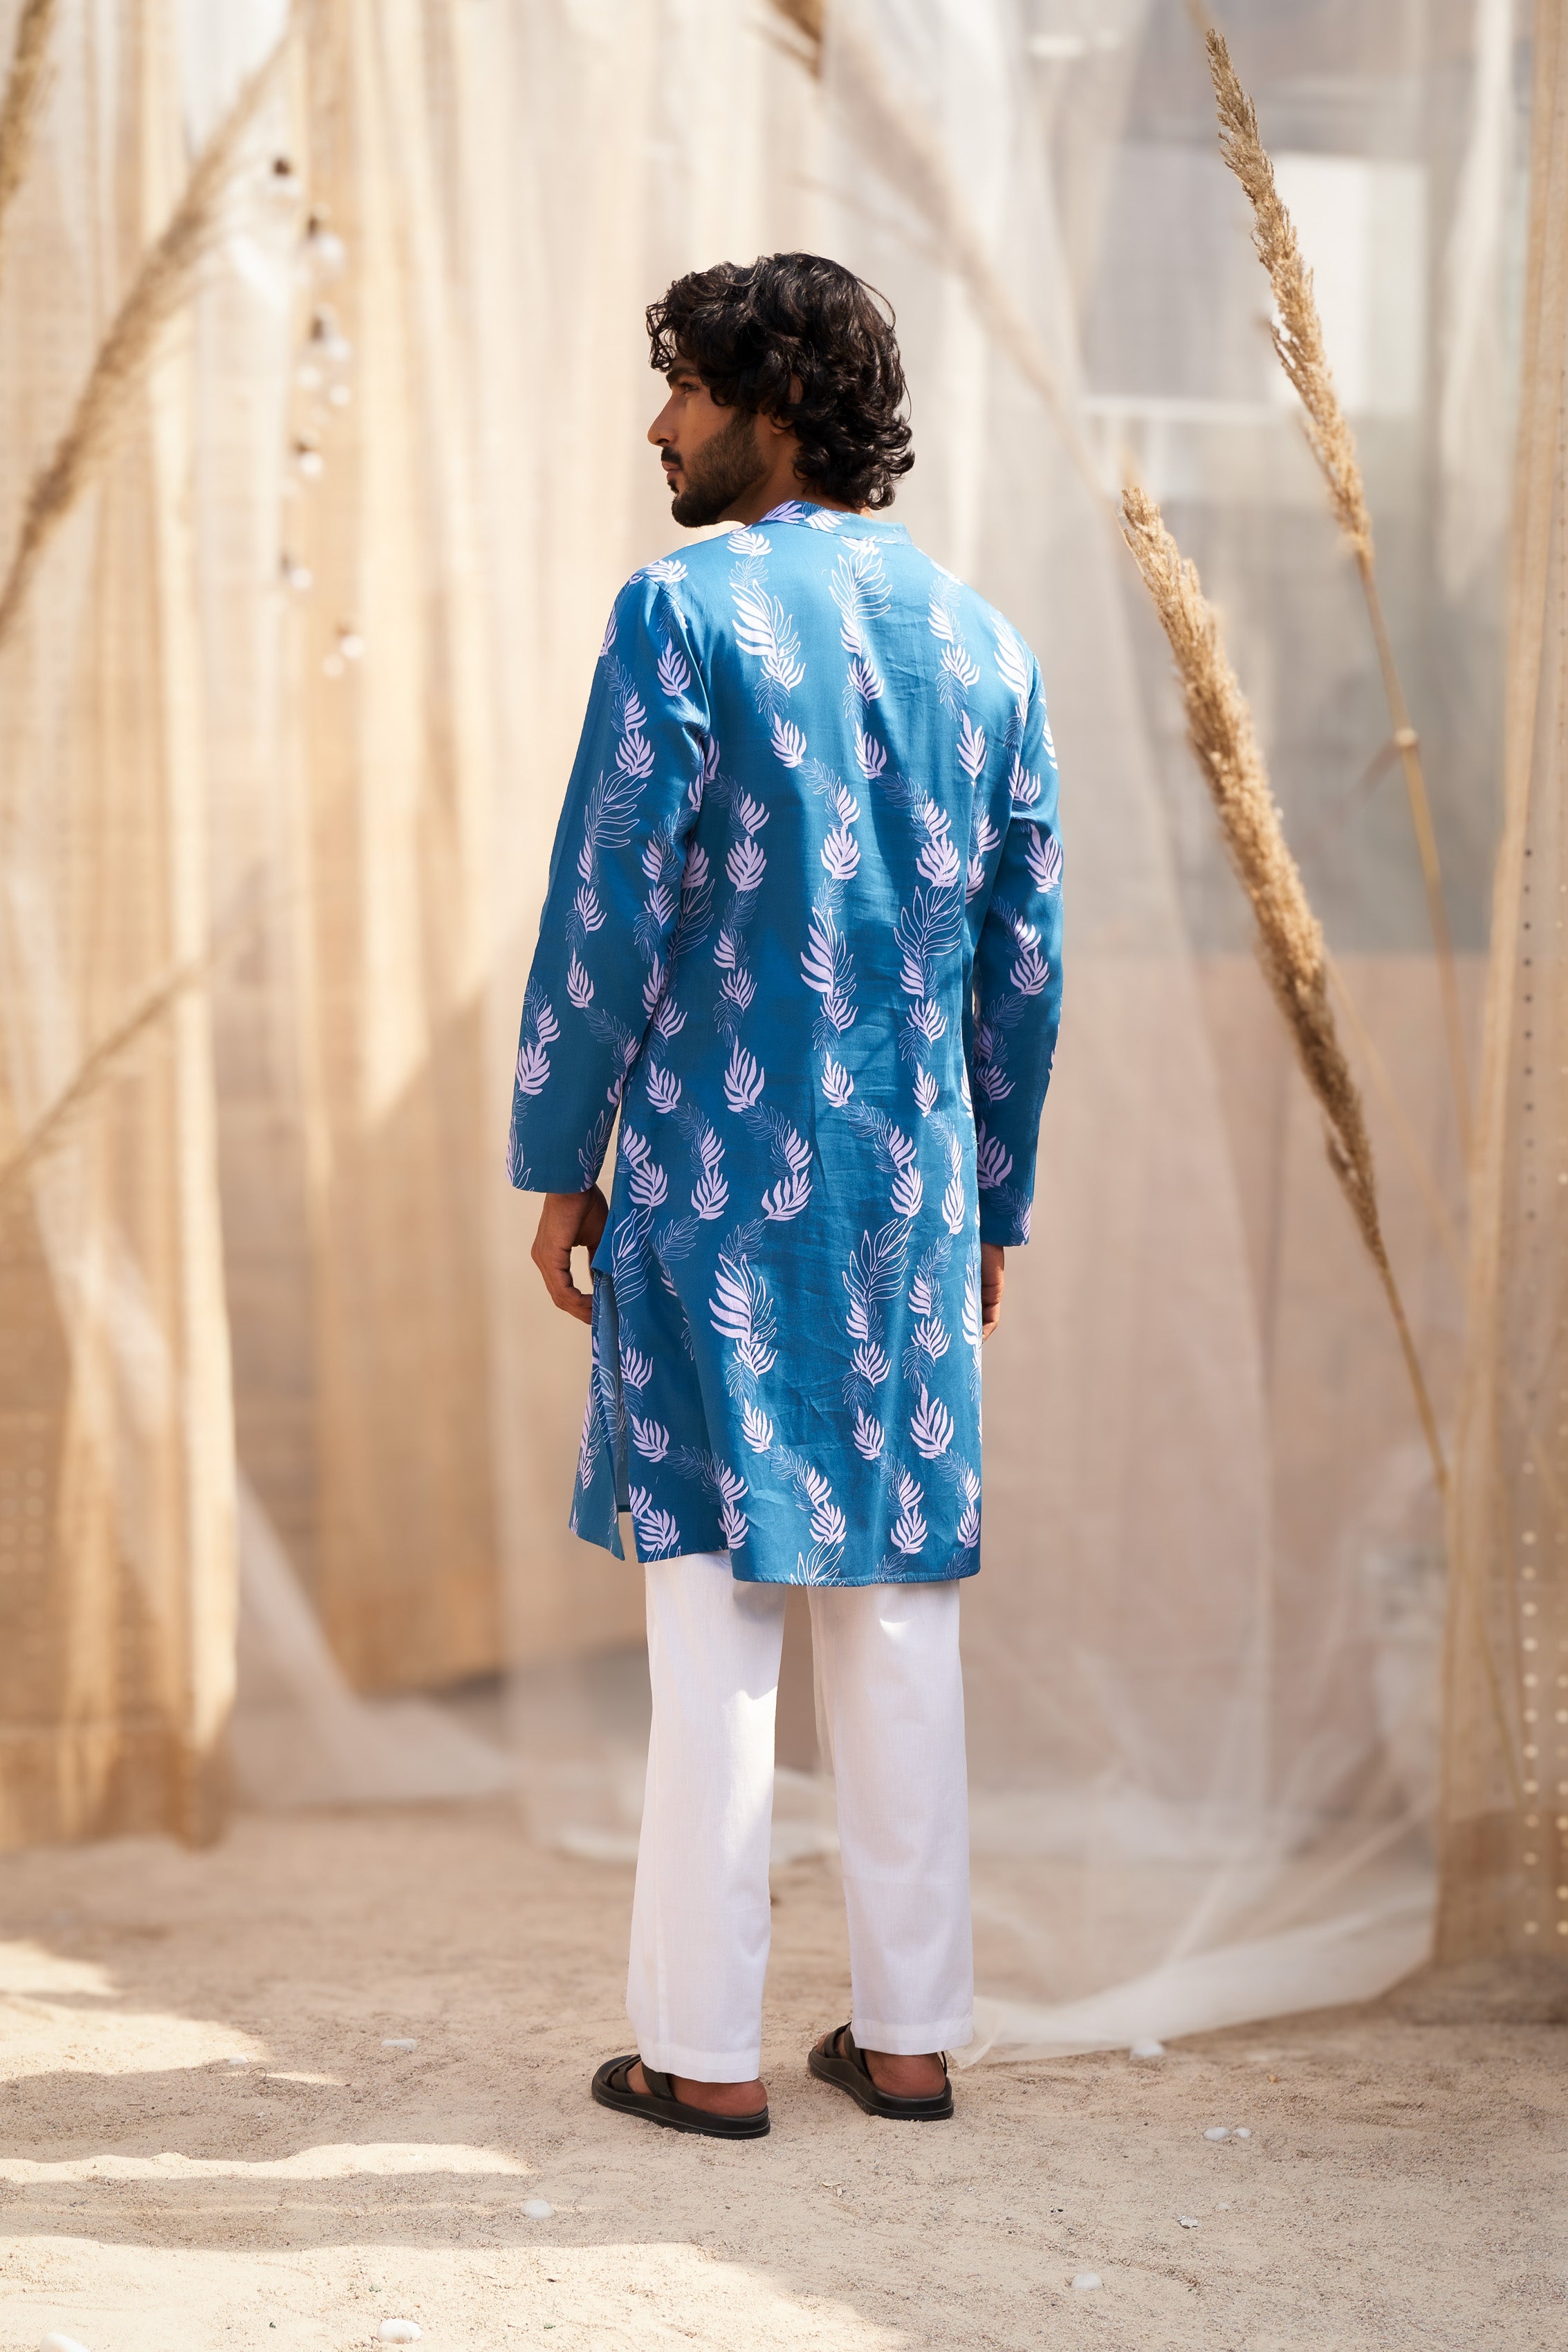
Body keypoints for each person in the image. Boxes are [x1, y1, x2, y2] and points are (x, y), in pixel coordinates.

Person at [509, 252, 1062, 2138]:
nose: (658, 425)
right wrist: (997, 1195)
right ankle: (908, 2040)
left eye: (685, 387)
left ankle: (706, 2053)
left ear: (778, 408)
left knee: (712, 1617)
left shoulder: (680, 615)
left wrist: (558, 1158)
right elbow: (1023, 962)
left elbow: (607, 907)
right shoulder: (986, 645)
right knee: (897, 1604)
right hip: (907, 1194)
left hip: (714, 1181)